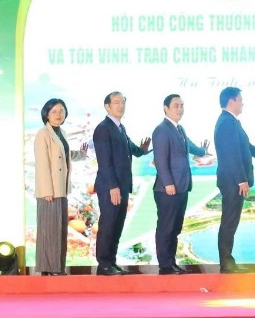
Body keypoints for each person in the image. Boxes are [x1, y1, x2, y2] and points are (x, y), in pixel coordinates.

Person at [213, 87, 255, 274]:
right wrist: (241, 180)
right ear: (231, 101)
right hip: (232, 181)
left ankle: (228, 262)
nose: (243, 103)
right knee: (229, 222)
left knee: (231, 222)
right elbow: (231, 154)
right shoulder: (226, 122)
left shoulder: (231, 122)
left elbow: (244, 145)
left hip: (233, 180)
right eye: (240, 100)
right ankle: (226, 264)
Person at [92, 91, 151, 275]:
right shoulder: (103, 128)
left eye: (123, 102)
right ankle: (103, 264)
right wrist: (113, 186)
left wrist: (142, 150)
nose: (121, 106)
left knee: (117, 225)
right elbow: (104, 161)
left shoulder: (120, 128)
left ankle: (111, 262)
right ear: (107, 106)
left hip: (122, 185)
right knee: (108, 224)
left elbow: (131, 149)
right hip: (111, 187)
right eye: (116, 102)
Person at [151, 94, 209, 275]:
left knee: (175, 228)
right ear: (165, 108)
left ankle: (171, 263)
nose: (180, 109)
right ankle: (165, 266)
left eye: (182, 105)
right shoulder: (161, 130)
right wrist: (168, 183)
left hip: (181, 186)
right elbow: (160, 160)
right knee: (166, 228)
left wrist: (203, 151)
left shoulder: (180, 129)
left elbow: (190, 146)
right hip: (167, 189)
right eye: (176, 105)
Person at [34, 98, 87, 276]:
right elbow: (42, 164)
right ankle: (49, 268)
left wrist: (82, 154)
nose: (59, 115)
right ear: (46, 114)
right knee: (49, 229)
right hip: (49, 191)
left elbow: (65, 155)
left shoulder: (60, 133)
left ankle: (57, 267)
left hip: (61, 189)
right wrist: (46, 191)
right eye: (54, 111)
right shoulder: (43, 134)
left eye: (62, 111)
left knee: (59, 229)